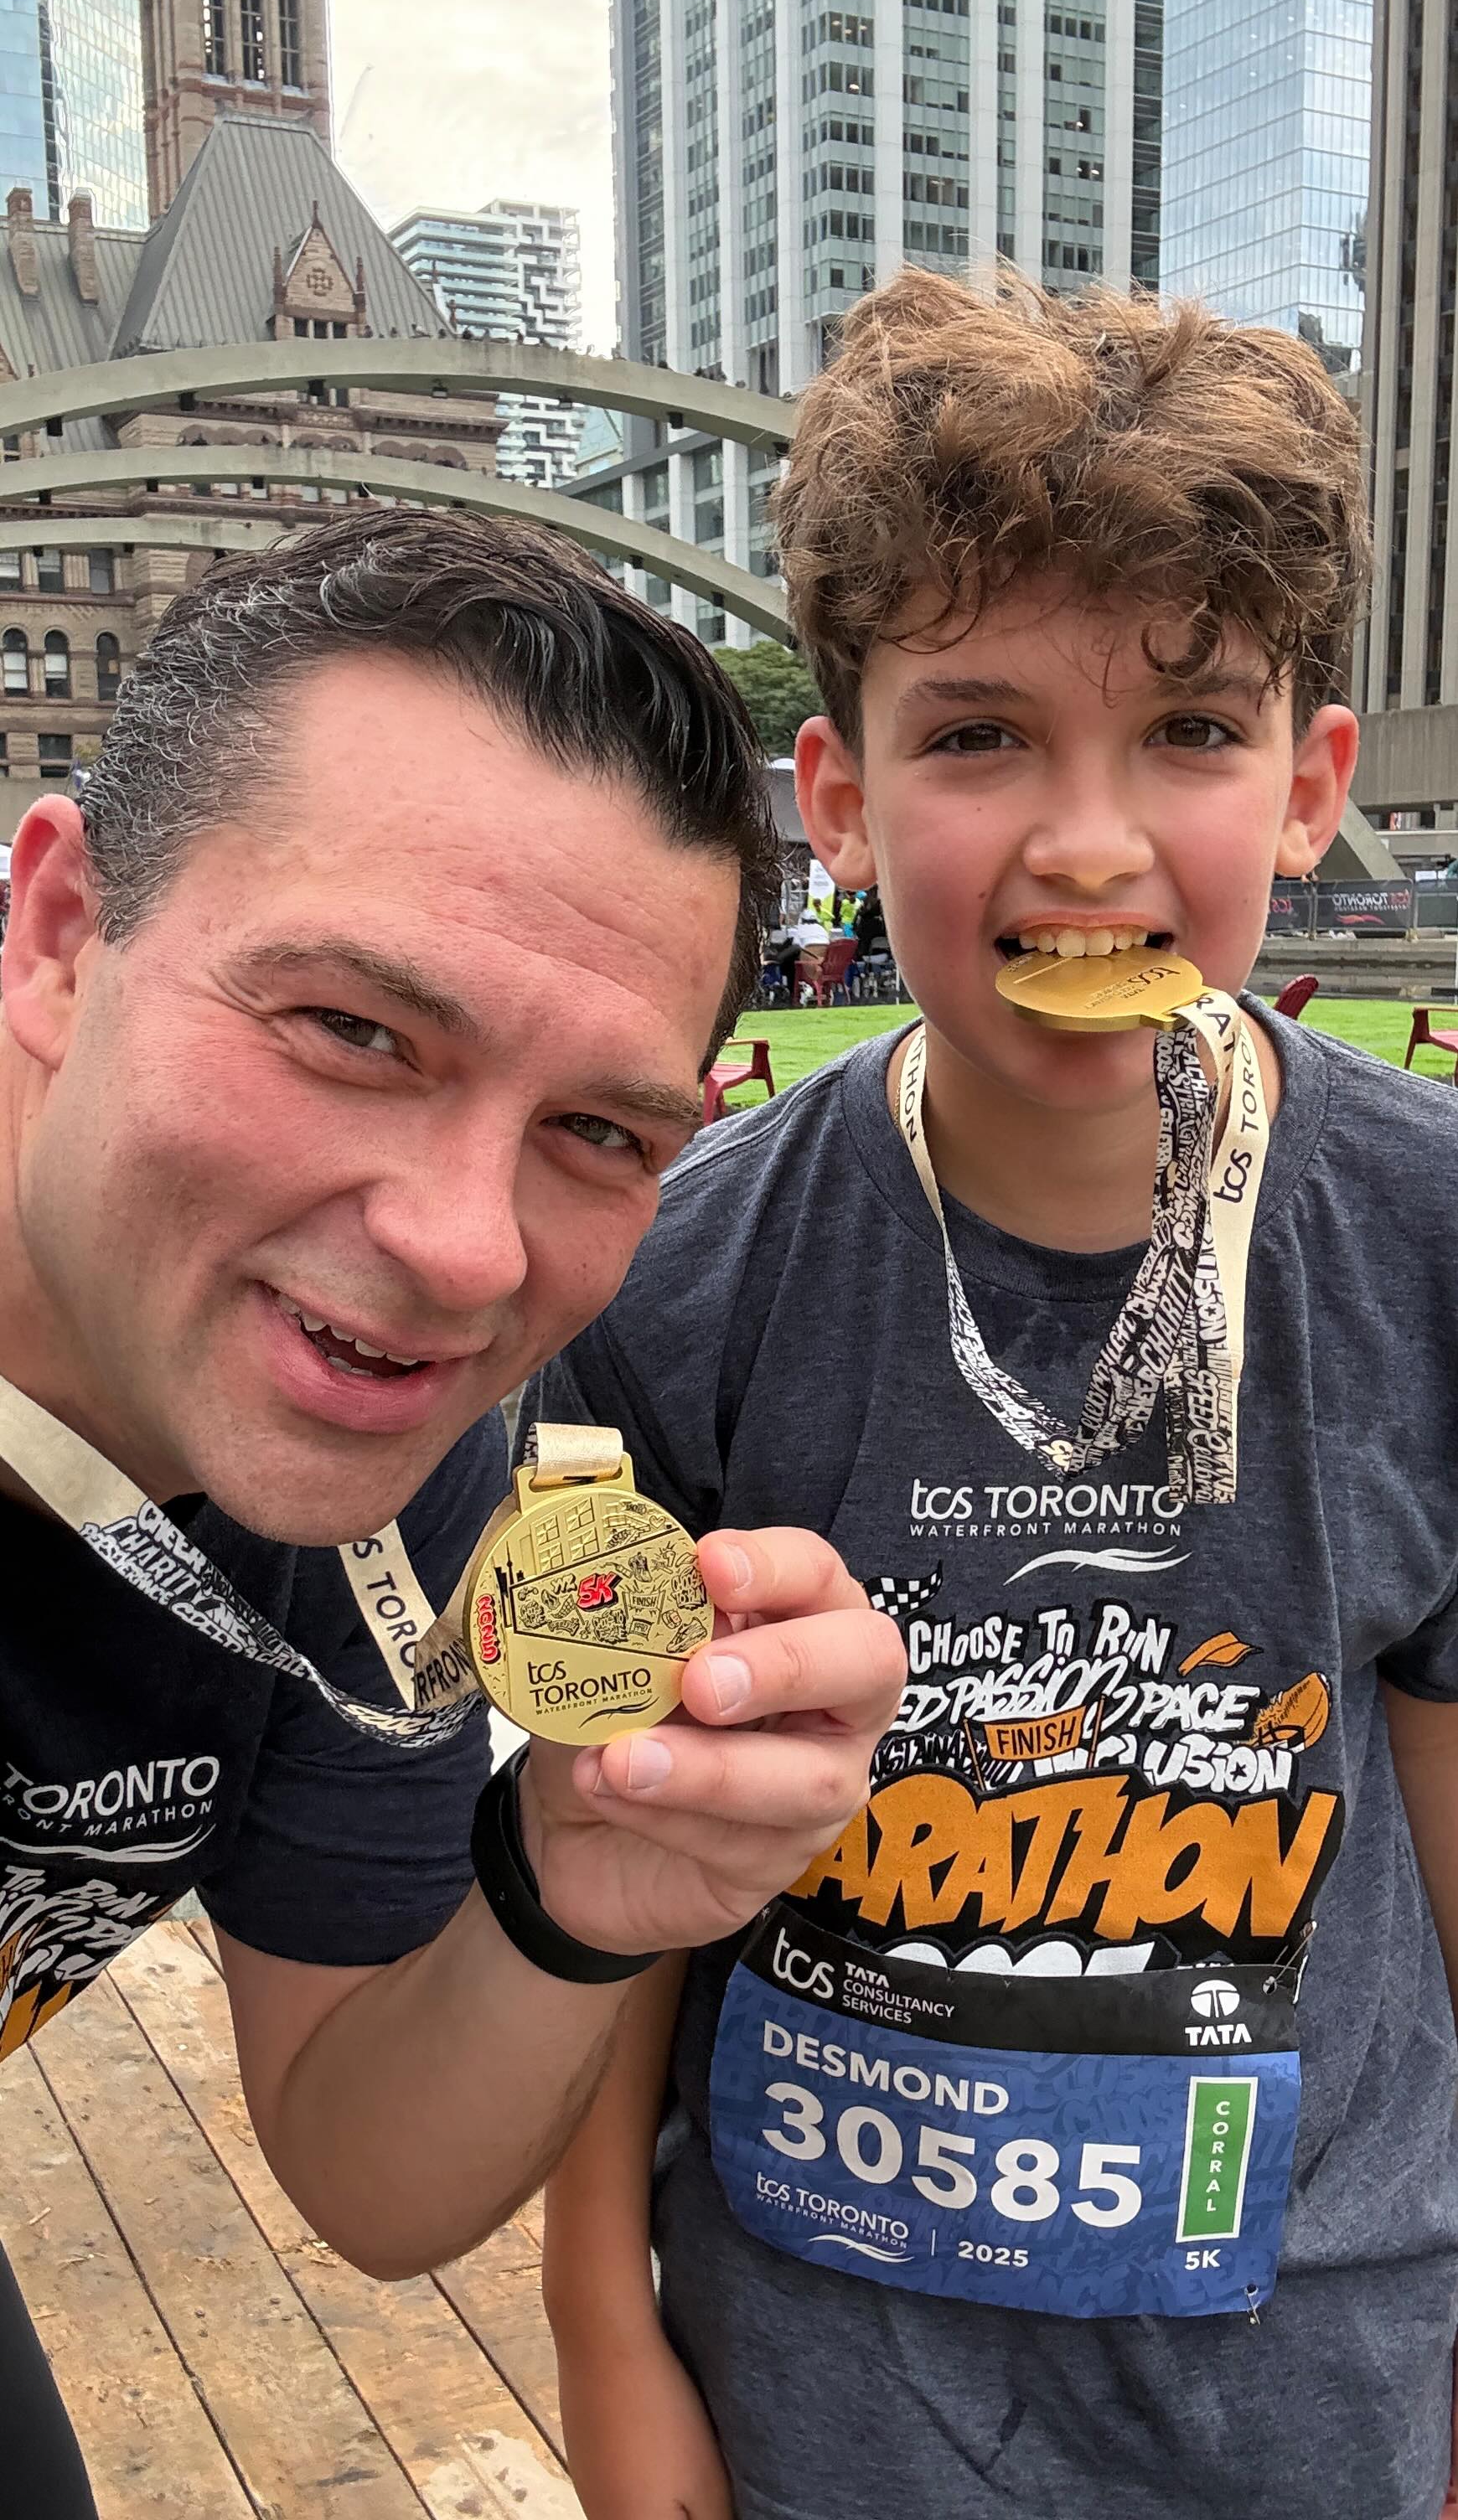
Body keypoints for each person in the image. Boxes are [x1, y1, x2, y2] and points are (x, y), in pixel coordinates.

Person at [530, 269, 1458, 2520]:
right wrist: (602, 2334)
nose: (1082, 839)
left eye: (1188, 733)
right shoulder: (671, 1285)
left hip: (1316, 2379)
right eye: (976, 737)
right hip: (829, 2385)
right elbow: (604, 1857)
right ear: (832, 794)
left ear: (1310, 782)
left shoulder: (1428, 1244)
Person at [0, 504, 905, 2515]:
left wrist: (574, 1888)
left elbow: (365, 2168)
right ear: (63, 936)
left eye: (597, 1130)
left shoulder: (401, 1498)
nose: (461, 1249)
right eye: (352, 1030)